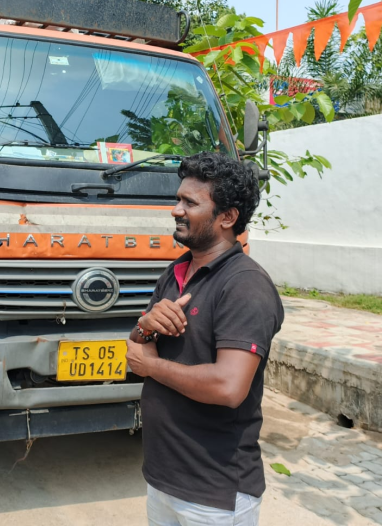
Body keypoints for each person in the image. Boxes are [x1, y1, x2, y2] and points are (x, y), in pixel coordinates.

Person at [126, 152, 283, 525]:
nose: (175, 210)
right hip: (164, 479)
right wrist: (147, 323)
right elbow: (136, 344)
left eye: (190, 203)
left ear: (227, 217)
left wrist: (151, 364)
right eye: (178, 199)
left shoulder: (245, 285)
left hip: (214, 494)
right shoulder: (176, 272)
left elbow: (228, 387)